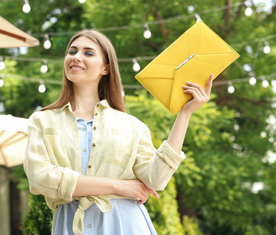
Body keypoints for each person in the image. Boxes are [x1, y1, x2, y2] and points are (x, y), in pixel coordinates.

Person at [24, 29, 213, 235]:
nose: (76, 57)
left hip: (126, 225)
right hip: (70, 226)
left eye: (88, 53)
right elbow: (39, 178)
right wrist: (120, 187)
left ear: (105, 68)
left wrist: (185, 114)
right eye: (72, 51)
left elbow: (155, 180)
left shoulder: (132, 126)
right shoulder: (42, 121)